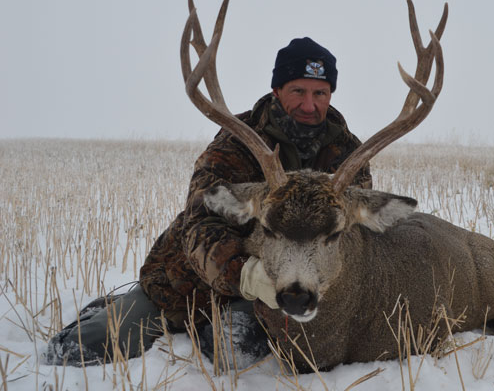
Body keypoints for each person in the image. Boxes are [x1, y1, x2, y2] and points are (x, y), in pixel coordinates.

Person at [46, 37, 372, 366]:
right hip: (190, 281)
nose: (309, 104)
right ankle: (125, 305)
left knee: (232, 353)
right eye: (298, 91)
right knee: (80, 350)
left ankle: (218, 324)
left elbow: (350, 238)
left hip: (281, 291)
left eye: (320, 93)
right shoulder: (237, 141)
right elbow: (200, 224)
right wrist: (248, 276)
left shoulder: (348, 155)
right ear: (276, 91)